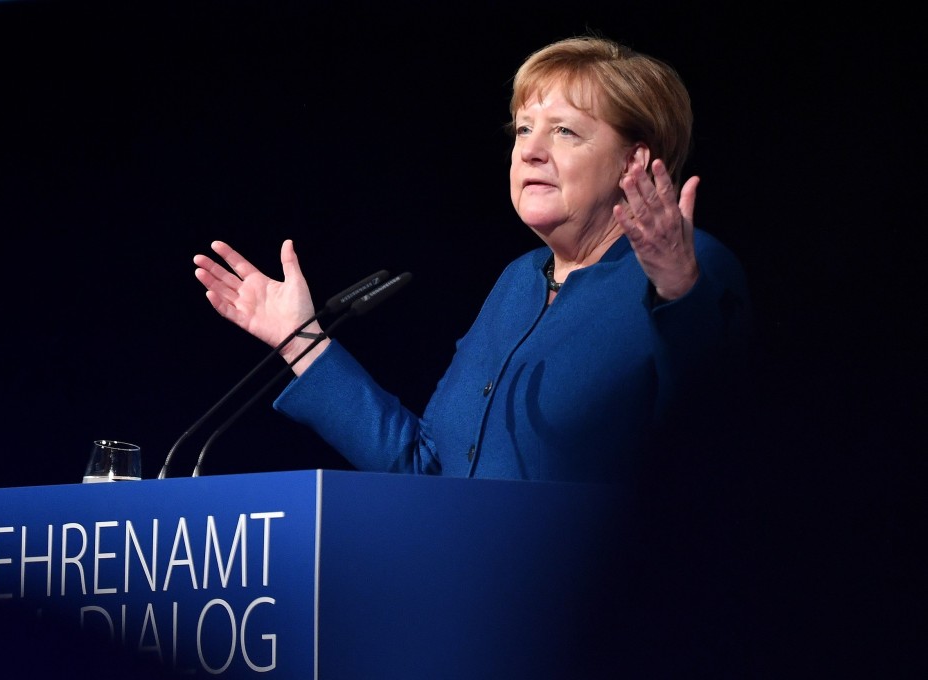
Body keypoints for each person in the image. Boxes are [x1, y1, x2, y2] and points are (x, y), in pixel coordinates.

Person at [192, 34, 751, 485]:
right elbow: (428, 469)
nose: (530, 150)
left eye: (564, 131)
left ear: (633, 161)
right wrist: (300, 340)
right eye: (524, 129)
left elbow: (716, 442)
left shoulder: (689, 268)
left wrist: (680, 291)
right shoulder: (518, 282)